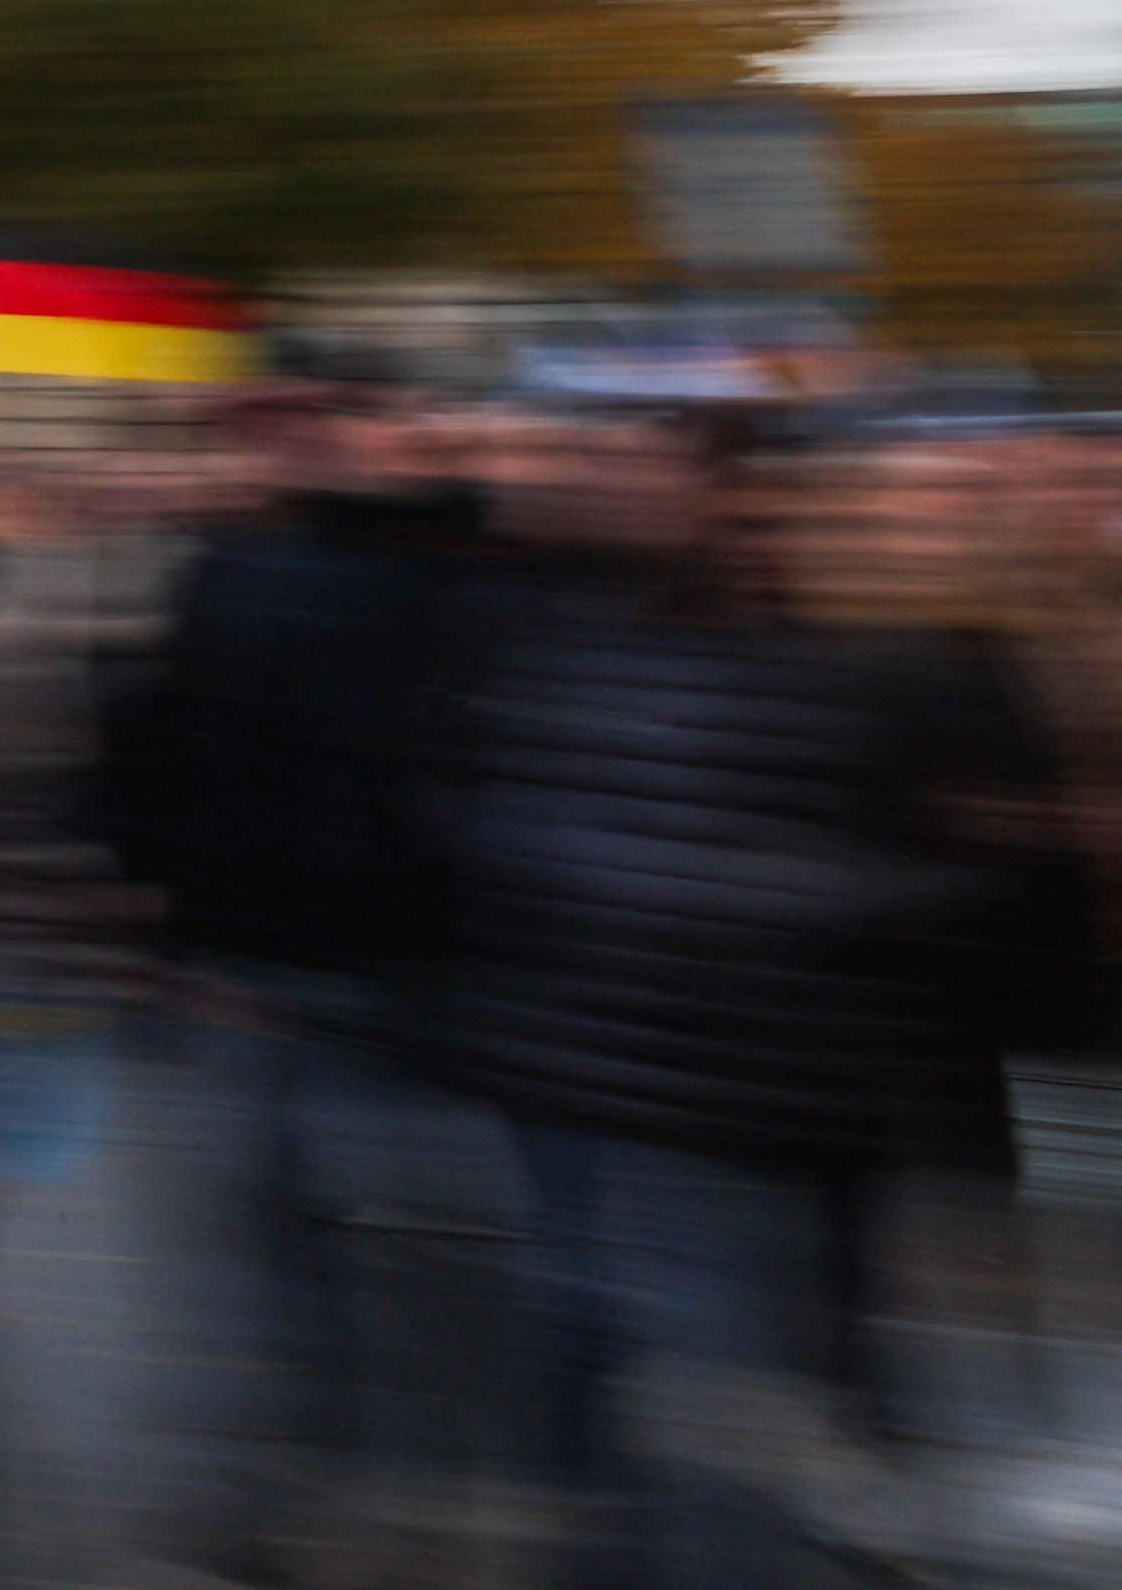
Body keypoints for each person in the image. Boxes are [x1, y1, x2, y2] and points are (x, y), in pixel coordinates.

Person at [433, 407, 1087, 1590]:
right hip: (689, 1089)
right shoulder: (609, 639)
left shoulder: (840, 652)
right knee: (722, 1406)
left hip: (761, 1088)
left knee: (740, 1394)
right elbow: (648, 864)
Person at [95, 384, 512, 1576]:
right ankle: (322, 1494)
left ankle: (377, 1496)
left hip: (381, 981)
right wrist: (170, 919)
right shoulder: (239, 571)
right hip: (274, 973)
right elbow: (162, 749)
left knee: (382, 1261)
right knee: (299, 1257)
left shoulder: (430, 573)